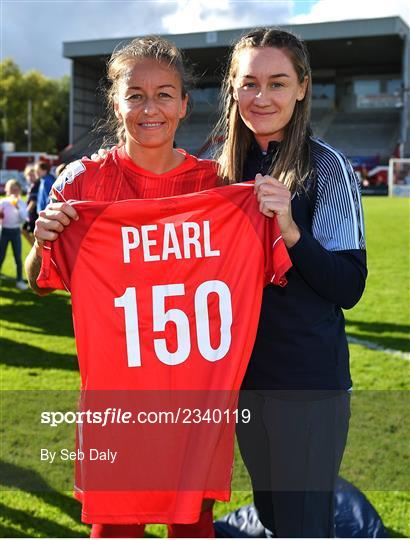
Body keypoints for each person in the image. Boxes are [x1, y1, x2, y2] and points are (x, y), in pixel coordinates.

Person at [25, 35, 292, 538]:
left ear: (184, 104)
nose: (151, 108)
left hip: (194, 408)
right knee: (114, 532)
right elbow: (40, 279)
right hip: (117, 408)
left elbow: (273, 269)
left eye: (165, 94)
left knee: (192, 530)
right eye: (136, 95)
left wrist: (273, 215)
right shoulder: (81, 183)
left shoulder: (217, 188)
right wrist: (44, 238)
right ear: (115, 101)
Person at [212, 28, 367, 538]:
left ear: (302, 87)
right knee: (275, 517)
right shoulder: (215, 173)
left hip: (308, 387)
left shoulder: (328, 167)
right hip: (243, 384)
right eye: (249, 83)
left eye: (278, 83)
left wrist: (292, 231)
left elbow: (348, 287)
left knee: (304, 527)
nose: (262, 97)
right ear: (233, 89)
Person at [0, 179, 28, 290]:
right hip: (4, 232)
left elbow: (24, 219)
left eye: (16, 189)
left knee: (17, 257)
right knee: (1, 256)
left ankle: (20, 280)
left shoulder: (21, 203)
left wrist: (17, 207)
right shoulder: (3, 202)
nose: (14, 191)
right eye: (11, 189)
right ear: (7, 190)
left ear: (19, 191)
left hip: (16, 231)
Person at [21, 165, 40, 245]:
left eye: (32, 175)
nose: (30, 177)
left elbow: (33, 202)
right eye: (29, 175)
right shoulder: (32, 185)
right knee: (24, 230)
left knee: (34, 234)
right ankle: (35, 248)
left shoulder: (36, 185)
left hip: (34, 215)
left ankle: (36, 250)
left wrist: (25, 213)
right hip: (31, 214)